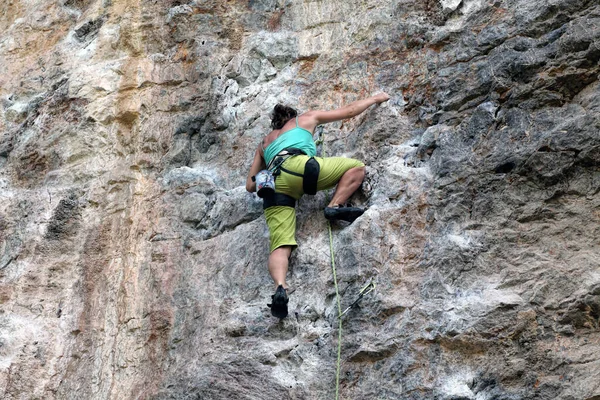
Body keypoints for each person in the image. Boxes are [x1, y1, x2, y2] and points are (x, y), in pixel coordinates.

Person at [246, 93, 391, 318]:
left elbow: (249, 185)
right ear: (292, 117)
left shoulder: (264, 143)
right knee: (356, 167)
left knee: (280, 244)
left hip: (274, 187)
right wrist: (374, 99)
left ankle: (280, 287)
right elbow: (350, 111)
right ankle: (335, 205)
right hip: (300, 168)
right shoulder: (306, 118)